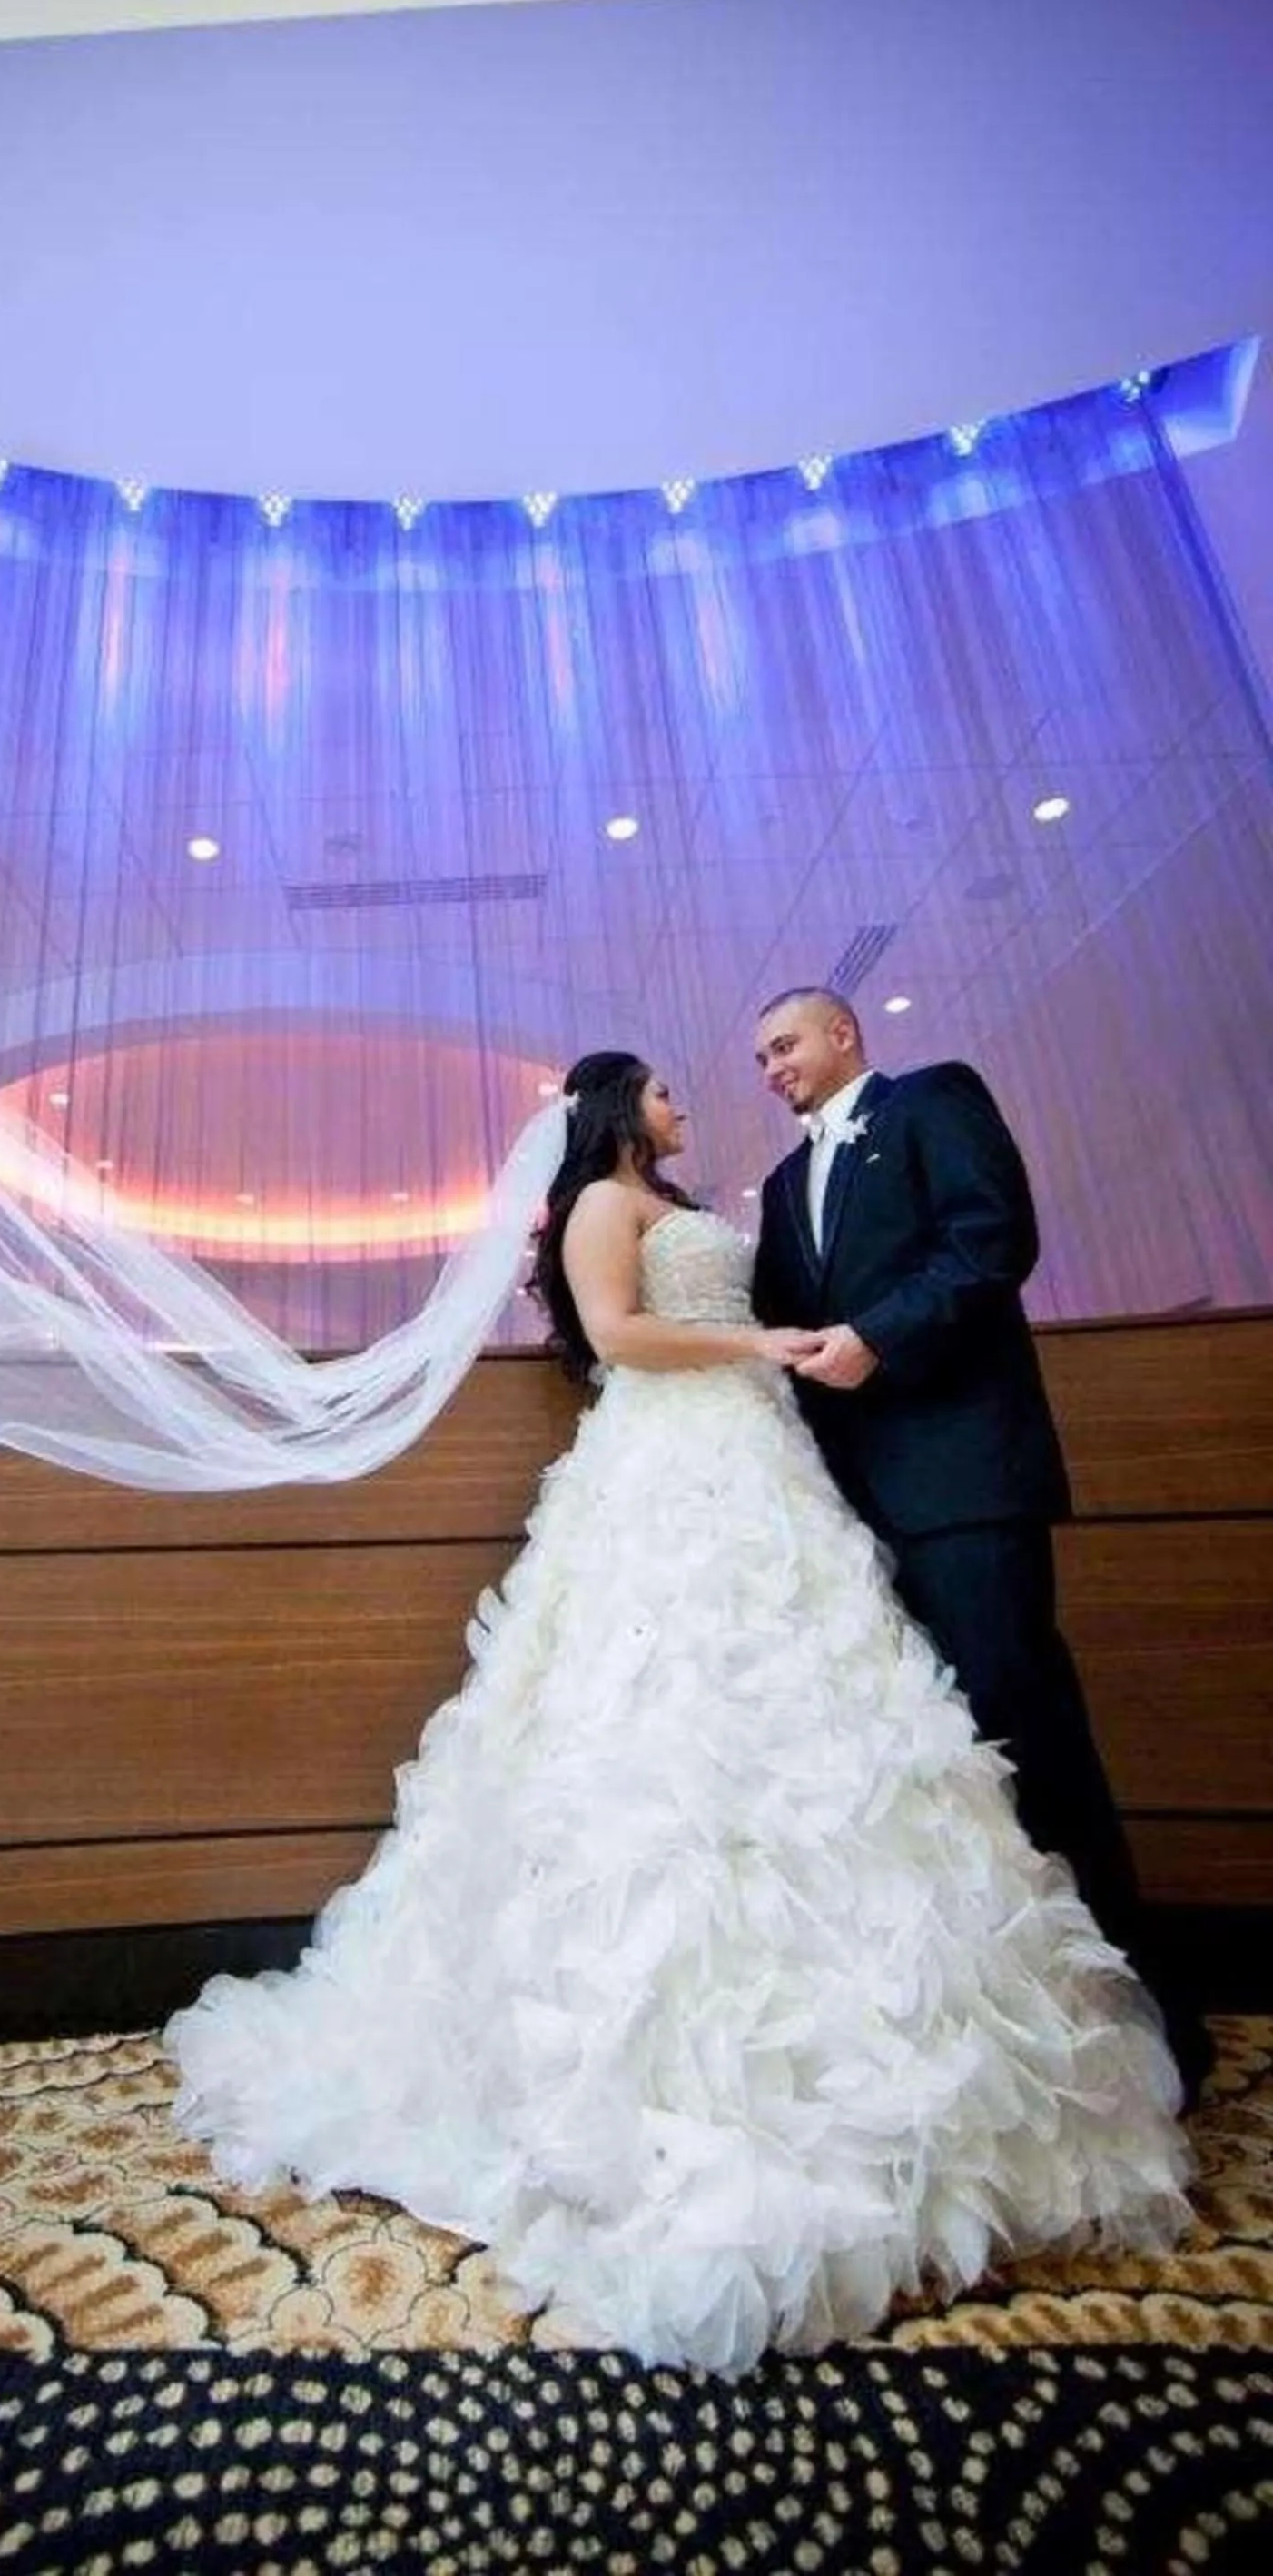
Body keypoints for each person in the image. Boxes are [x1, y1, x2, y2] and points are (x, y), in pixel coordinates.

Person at [166, 1049, 1191, 2375]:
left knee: (824, 1712)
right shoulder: (601, 1198)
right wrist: (754, 1342)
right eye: (662, 1089)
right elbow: (617, 1337)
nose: (687, 1098)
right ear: (615, 1108)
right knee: (667, 1720)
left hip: (759, 1457)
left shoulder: (687, 1193)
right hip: (676, 1457)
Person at [749, 988, 1212, 2104]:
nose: (771, 1067)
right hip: (851, 1511)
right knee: (933, 1769)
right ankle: (1010, 2038)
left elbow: (989, 1240)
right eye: (759, 1057)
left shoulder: (930, 1100)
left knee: (1025, 1732)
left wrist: (878, 1338)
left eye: (785, 1044)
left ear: (844, 1033)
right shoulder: (776, 1185)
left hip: (962, 1483)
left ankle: (1149, 2023)